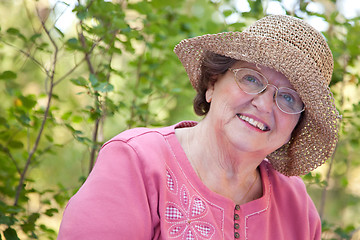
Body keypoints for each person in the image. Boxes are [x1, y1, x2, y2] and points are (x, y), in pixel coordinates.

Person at [57, 15, 341, 240]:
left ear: (296, 125)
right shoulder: (137, 161)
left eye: (289, 98)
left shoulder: (296, 205)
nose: (265, 105)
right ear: (212, 84)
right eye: (252, 79)